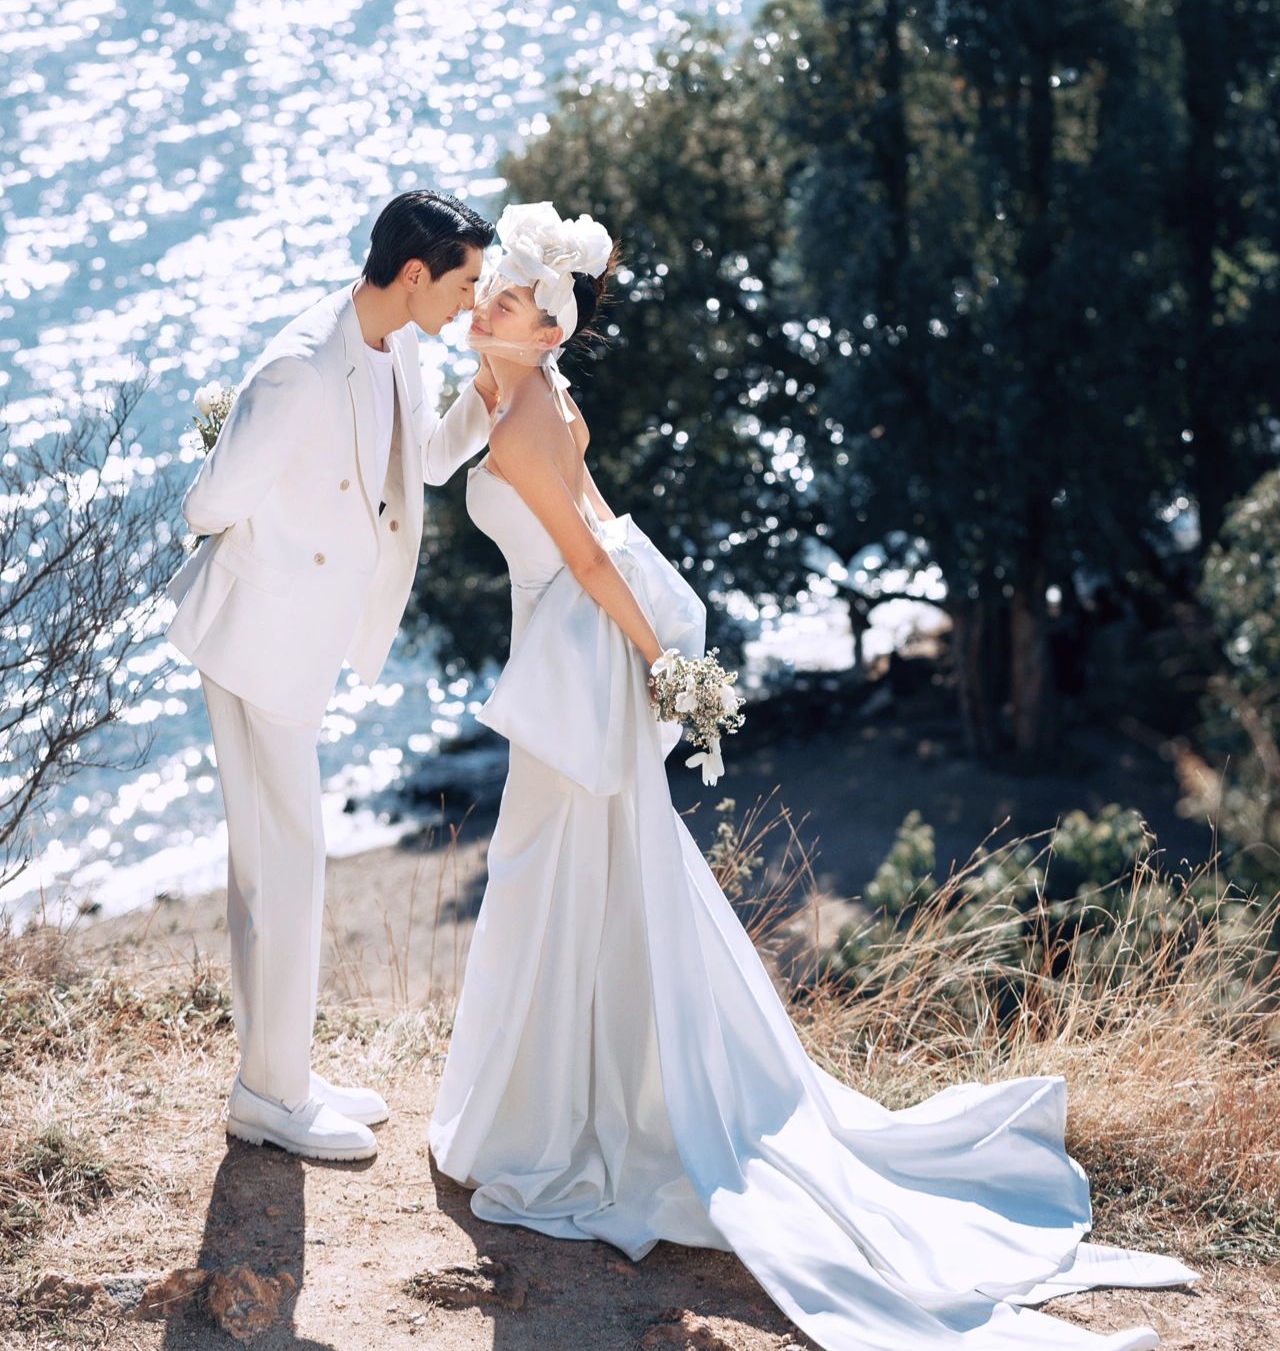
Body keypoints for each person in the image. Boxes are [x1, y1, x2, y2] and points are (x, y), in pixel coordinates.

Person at [427, 201, 1200, 1351]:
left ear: (544, 331)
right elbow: (482, 471)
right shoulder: (511, 388)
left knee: (554, 868)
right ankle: (549, 1098)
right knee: (561, 870)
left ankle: (558, 1119)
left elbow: (585, 552)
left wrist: (663, 662)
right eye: (486, 289)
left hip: (578, 651)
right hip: (561, 651)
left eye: (503, 298)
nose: (482, 306)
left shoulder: (527, 412)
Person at [165, 189, 497, 1163]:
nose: (471, 302)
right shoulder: (299, 368)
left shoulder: (397, 343)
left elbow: (420, 461)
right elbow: (207, 505)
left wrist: (495, 386)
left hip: (299, 643)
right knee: (287, 862)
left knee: (279, 862)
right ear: (414, 274)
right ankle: (270, 1094)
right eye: (465, 284)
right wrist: (284, 536)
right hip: (258, 637)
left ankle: (281, 1075)